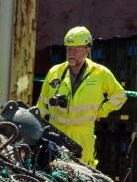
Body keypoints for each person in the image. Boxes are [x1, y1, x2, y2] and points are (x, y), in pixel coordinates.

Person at [37, 26, 127, 167]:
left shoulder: (100, 74)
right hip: (56, 134)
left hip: (82, 137)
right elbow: (42, 103)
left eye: (76, 49)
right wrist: (39, 129)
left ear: (87, 49)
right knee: (53, 172)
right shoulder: (55, 72)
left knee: (81, 174)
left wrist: (100, 111)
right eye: (68, 49)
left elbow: (120, 96)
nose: (71, 53)